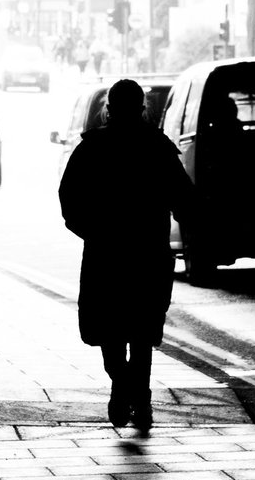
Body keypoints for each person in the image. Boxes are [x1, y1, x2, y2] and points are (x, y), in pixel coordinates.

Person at [59, 78, 194, 431]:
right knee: (143, 332)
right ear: (142, 108)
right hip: (148, 254)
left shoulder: (91, 149)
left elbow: (69, 201)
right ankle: (138, 397)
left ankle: (122, 385)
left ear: (109, 108)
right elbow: (185, 198)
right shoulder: (158, 147)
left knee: (110, 331)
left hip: (106, 256)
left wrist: (92, 232)